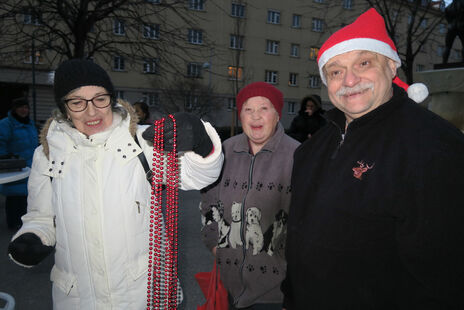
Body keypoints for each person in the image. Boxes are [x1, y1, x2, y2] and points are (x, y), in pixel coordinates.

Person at [282, 8, 464, 309]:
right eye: (336, 71)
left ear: (391, 66)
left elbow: (446, 276)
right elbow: (299, 238)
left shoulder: (434, 145)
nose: (350, 80)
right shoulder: (313, 147)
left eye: (363, 63)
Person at [7, 59, 224, 309]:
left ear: (112, 98)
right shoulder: (46, 154)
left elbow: (198, 176)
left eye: (100, 98)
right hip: (77, 298)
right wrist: (33, 237)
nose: (92, 111)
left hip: (143, 293)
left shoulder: (142, 141)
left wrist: (202, 144)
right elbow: (41, 215)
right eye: (77, 102)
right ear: (64, 108)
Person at [200, 82, 300, 309]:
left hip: (276, 290)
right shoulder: (224, 151)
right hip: (229, 283)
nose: (255, 116)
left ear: (277, 115)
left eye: (264, 108)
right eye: (248, 109)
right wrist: (214, 243)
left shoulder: (298, 155)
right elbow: (208, 202)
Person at [0, 98, 38, 230]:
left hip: (30, 165)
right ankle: (13, 223)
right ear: (14, 109)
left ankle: (24, 222)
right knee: (14, 196)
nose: (24, 110)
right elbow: (1, 143)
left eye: (26, 107)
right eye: (21, 107)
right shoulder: (6, 124)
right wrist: (6, 158)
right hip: (14, 166)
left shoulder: (30, 123)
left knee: (26, 197)